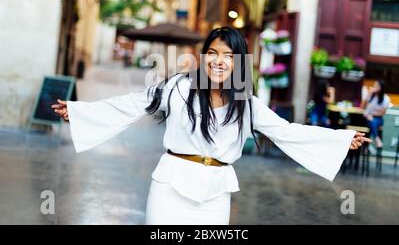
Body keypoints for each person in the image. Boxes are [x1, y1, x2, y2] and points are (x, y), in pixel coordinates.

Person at [51, 27, 369, 225]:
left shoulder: (248, 105)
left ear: (239, 63)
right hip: (169, 188)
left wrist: (340, 139)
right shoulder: (178, 87)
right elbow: (133, 104)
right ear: (203, 58)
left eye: (228, 56)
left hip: (216, 195)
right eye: (213, 53)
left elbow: (287, 131)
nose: (219, 60)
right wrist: (80, 113)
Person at [361, 80, 391, 148]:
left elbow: (382, 113)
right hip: (366, 117)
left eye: (377, 86)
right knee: (370, 121)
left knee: (373, 121)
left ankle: (372, 141)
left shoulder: (386, 99)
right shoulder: (370, 95)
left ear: (381, 88)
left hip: (378, 118)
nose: (374, 87)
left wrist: (371, 115)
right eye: (374, 85)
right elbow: (362, 107)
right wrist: (368, 94)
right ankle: (376, 139)